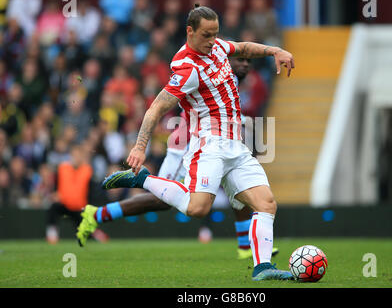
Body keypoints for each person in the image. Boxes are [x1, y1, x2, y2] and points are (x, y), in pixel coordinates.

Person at [78, 4, 294, 281]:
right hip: (209, 144)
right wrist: (140, 146)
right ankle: (142, 179)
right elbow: (156, 107)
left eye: (215, 34)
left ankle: (262, 268)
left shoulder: (215, 48)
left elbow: (241, 47)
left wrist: (275, 51)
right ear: (189, 31)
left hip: (236, 145)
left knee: (266, 203)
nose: (212, 40)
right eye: (206, 35)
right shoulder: (186, 67)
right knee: (197, 208)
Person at [76, 56, 278, 260]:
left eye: (248, 62)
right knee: (161, 199)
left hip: (212, 144)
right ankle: (96, 214)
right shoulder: (212, 75)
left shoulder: (231, 81)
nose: (245, 64)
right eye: (240, 60)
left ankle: (245, 246)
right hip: (187, 144)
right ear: (225, 60)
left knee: (239, 186)